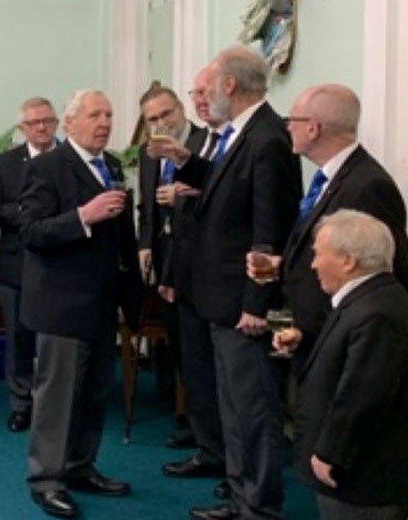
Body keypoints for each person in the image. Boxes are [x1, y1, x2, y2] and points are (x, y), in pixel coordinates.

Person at [150, 46, 302, 520]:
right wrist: (188, 162)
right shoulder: (244, 134)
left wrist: (258, 303)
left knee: (253, 411)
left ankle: (258, 506)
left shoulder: (267, 138)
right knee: (234, 408)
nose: (203, 96)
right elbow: (225, 189)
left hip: (244, 303)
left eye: (207, 86)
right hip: (220, 298)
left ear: (230, 86)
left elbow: (268, 232)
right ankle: (242, 498)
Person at [273, 210, 408, 520]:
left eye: (319, 254)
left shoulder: (377, 312)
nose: (313, 264)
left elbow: (364, 394)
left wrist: (330, 452)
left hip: (365, 480)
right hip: (360, 473)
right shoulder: (368, 299)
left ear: (348, 260)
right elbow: (350, 358)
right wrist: (305, 342)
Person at [20, 89, 138, 519]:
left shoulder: (111, 166)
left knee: (93, 395)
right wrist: (83, 217)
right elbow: (31, 231)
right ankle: (46, 479)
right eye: (94, 115)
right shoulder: (47, 167)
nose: (104, 122)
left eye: (109, 114)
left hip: (102, 303)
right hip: (60, 305)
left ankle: (80, 466)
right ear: (69, 123)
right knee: (57, 399)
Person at [249, 84, 408, 358]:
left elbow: (391, 275)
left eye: (292, 119)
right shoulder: (329, 179)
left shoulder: (367, 186)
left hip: (343, 345)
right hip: (311, 337)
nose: (287, 126)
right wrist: (279, 266)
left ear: (313, 128)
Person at [156, 69, 230, 499]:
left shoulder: (214, 144)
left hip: (222, 279)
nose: (202, 99)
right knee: (198, 372)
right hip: (185, 273)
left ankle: (230, 462)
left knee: (226, 381)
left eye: (206, 93)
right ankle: (209, 450)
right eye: (197, 92)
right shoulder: (189, 148)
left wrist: (189, 192)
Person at [0, 96, 58, 433]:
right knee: (19, 338)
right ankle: (21, 404)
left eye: (47, 121)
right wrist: (26, 214)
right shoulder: (5, 163)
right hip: (16, 266)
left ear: (56, 123)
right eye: (34, 123)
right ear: (22, 128)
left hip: (61, 267)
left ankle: (53, 404)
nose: (41, 127)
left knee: (55, 341)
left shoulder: (69, 159)